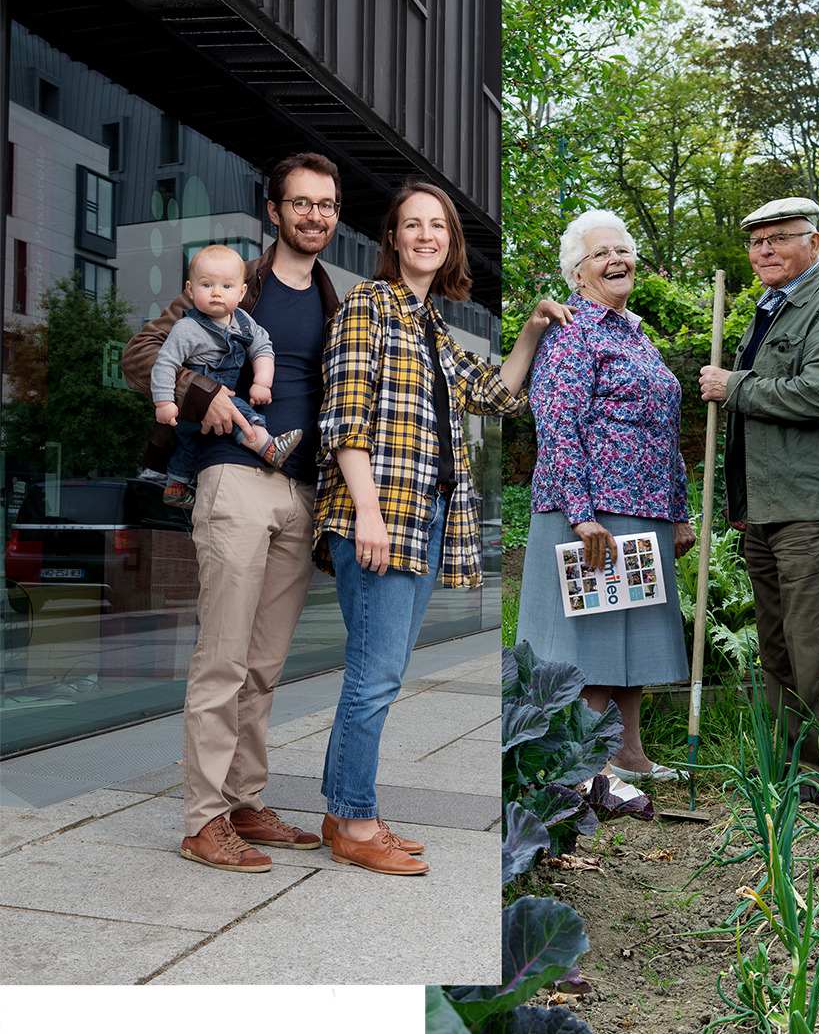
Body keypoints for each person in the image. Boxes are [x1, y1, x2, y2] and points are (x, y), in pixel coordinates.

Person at [315, 180, 569, 874]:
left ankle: (345, 809)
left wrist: (532, 330)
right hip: (382, 515)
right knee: (376, 674)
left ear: (450, 242)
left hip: (424, 516)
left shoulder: (429, 325)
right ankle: (356, 821)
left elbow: (494, 394)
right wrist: (368, 510)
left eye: (439, 226)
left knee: (377, 671)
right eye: (412, 224)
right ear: (391, 238)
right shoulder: (368, 306)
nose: (426, 234)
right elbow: (344, 416)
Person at [123, 152, 344, 871]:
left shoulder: (332, 298)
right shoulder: (230, 282)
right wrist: (202, 393)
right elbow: (142, 354)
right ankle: (203, 817)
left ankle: (245, 799)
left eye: (327, 204)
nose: (316, 215)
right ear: (274, 212)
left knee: (265, 663)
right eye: (302, 203)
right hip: (233, 480)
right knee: (222, 657)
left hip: (302, 490)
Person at [698, 197, 819, 802]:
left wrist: (733, 385)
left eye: (780, 239)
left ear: (814, 244)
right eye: (756, 242)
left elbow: (818, 394)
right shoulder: (768, 313)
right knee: (775, 646)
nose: (765, 251)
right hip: (765, 507)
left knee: (817, 648)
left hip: (812, 505)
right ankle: (786, 765)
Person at [517, 210, 695, 792]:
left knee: (635, 633)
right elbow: (557, 423)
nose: (617, 259)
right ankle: (589, 765)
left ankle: (630, 755)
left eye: (623, 249)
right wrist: (581, 513)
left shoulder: (634, 332)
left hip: (644, 505)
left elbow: (663, 426)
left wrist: (679, 511)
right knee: (594, 638)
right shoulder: (573, 331)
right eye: (601, 253)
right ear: (577, 272)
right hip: (591, 505)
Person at [151, 244, 304, 506]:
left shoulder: (244, 321)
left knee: (189, 445)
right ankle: (268, 447)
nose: (216, 294)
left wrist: (262, 382)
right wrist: (164, 402)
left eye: (226, 286)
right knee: (239, 412)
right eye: (207, 285)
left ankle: (176, 487)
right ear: (190, 289)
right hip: (192, 402)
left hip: (210, 406)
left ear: (242, 292)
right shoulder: (187, 327)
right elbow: (165, 362)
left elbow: (263, 348)